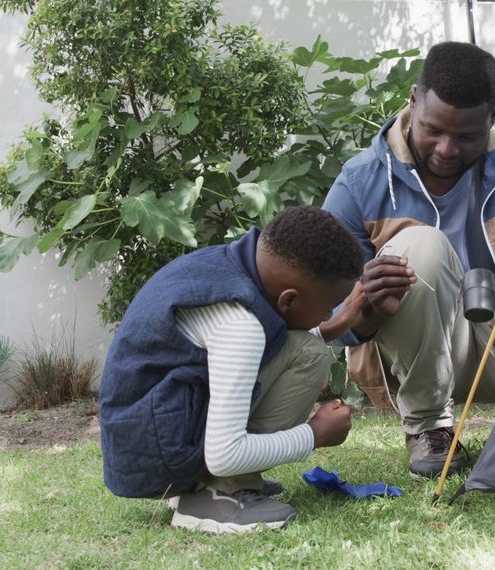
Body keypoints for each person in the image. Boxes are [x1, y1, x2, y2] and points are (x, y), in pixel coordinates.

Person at [322, 41, 495, 478]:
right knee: (422, 246)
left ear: (492, 118)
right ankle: (430, 428)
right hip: (406, 360)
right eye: (433, 130)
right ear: (413, 102)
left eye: (465, 137)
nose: (445, 148)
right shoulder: (361, 182)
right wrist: (366, 307)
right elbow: (325, 315)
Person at [98, 206, 367, 534]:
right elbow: (224, 455)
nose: (327, 315)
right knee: (310, 355)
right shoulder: (240, 325)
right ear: (288, 300)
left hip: (147, 437)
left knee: (307, 349)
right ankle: (218, 493)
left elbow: (272, 341)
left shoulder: (230, 267)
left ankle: (217, 484)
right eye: (327, 308)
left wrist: (330, 328)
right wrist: (314, 434)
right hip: (157, 460)